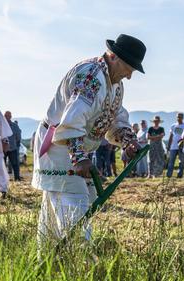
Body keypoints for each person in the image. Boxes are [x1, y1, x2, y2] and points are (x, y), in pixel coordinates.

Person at [31, 34, 145, 247]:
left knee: (56, 201)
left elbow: (115, 115)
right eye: (129, 67)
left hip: (72, 145)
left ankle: (48, 258)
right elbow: (73, 118)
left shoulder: (115, 83)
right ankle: (81, 256)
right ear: (113, 57)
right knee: (73, 201)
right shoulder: (91, 76)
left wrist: (128, 140)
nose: (129, 76)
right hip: (60, 144)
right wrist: (79, 156)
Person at [166, 113, 184, 178]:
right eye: (178, 117)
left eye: (180, 117)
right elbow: (171, 136)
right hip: (173, 146)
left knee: (181, 161)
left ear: (182, 118)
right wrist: (168, 145)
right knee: (171, 161)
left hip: (182, 146)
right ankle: (169, 175)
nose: (179, 118)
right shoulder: (173, 126)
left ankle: (180, 175)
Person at [4, 111, 22, 181]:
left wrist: (16, 144)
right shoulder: (1, 125)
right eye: (5, 116)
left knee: (15, 164)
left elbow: (18, 136)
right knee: (2, 165)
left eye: (8, 116)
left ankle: (17, 177)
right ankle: (3, 178)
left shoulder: (15, 126)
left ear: (10, 117)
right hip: (3, 148)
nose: (6, 117)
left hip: (12, 148)